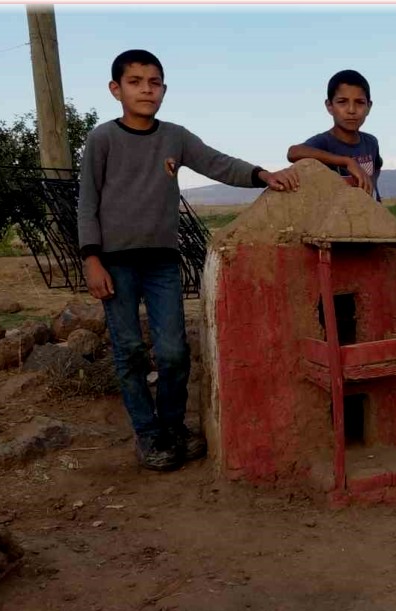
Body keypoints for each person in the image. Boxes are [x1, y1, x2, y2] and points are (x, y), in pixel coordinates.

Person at [77, 48, 300, 472]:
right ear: (115, 89)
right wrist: (91, 259)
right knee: (129, 351)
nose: (146, 89)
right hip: (115, 262)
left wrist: (262, 175)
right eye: (135, 82)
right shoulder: (102, 139)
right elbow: (86, 202)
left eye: (154, 82)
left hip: (162, 261)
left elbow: (216, 163)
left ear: (164, 89)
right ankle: (148, 434)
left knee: (174, 351)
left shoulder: (174, 137)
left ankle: (173, 426)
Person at [287, 69, 383, 201]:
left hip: (368, 215)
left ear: (369, 107)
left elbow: (376, 167)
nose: (351, 110)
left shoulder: (371, 142)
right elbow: (293, 152)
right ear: (329, 106)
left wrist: (373, 189)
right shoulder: (324, 142)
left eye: (359, 102)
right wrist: (347, 162)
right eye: (342, 102)